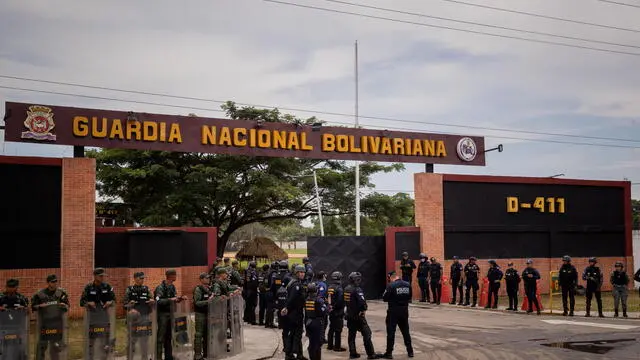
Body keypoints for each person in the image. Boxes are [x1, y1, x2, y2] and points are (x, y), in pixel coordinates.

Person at [344, 272, 383, 359]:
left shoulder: (346, 288)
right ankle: (371, 354)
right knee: (367, 334)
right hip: (358, 316)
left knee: (351, 335)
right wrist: (364, 309)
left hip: (350, 315)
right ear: (356, 280)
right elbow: (362, 302)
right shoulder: (357, 289)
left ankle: (352, 353)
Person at [80, 268, 116, 360]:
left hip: (104, 317)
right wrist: (88, 303)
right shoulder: (88, 287)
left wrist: (110, 302)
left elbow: (114, 300)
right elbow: (82, 302)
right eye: (101, 276)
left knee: (105, 342)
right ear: (95, 276)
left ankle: (104, 358)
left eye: (103, 276)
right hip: (93, 318)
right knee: (91, 342)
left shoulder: (107, 287)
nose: (103, 277)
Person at [32, 275, 70, 360]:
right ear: (48, 283)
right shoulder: (40, 294)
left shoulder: (61, 293)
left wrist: (64, 305)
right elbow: (33, 306)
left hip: (57, 323)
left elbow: (67, 306)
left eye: (56, 281)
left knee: (56, 346)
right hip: (44, 324)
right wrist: (40, 306)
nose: (55, 283)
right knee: (42, 345)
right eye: (53, 282)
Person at [154, 268, 187, 360]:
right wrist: (170, 300)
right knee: (160, 337)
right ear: (170, 276)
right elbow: (157, 300)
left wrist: (179, 298)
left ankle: (169, 357)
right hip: (162, 315)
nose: (176, 277)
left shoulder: (172, 287)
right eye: (175, 275)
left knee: (169, 336)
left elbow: (174, 298)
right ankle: (158, 357)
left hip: (171, 313)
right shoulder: (160, 288)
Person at [382, 271, 414, 359]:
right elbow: (410, 296)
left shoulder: (391, 285)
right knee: (406, 332)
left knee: (391, 333)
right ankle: (410, 351)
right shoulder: (407, 284)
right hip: (404, 311)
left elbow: (384, 298)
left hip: (393, 312)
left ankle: (389, 353)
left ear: (391, 277)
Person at [124, 272, 155, 360]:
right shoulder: (130, 289)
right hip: (133, 319)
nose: (142, 280)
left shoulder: (146, 289)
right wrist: (130, 306)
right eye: (141, 278)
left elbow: (152, 300)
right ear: (135, 278)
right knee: (132, 341)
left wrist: (152, 302)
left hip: (145, 318)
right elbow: (124, 304)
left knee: (144, 342)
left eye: (143, 278)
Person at [280, 265, 307, 360]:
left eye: (303, 272)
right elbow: (291, 298)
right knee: (295, 335)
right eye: (300, 272)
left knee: (295, 334)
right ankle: (290, 354)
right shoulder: (296, 285)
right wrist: (286, 307)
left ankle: (298, 354)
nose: (302, 274)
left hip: (294, 313)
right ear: (296, 273)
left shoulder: (294, 282)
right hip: (295, 314)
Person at [0, 278, 29, 360]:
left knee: (19, 349)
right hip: (3, 327)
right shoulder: (1, 297)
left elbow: (28, 311)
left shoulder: (22, 298)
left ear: (16, 287)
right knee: (4, 350)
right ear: (6, 287)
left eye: (13, 287)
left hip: (18, 327)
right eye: (9, 287)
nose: (10, 289)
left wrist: (23, 308)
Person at [304, 282, 327, 360]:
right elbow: (324, 311)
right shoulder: (318, 300)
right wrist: (328, 306)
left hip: (309, 322)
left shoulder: (307, 299)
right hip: (317, 323)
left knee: (312, 341)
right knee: (318, 343)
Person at [193, 272, 213, 360]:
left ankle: (206, 353)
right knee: (199, 334)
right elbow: (197, 303)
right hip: (200, 314)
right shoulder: (198, 289)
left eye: (208, 278)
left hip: (208, 314)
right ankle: (197, 355)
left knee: (207, 334)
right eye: (206, 278)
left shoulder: (209, 289)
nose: (208, 279)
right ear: (201, 279)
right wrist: (208, 301)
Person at [326, 271, 346, 352]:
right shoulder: (339, 288)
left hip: (331, 311)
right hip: (338, 312)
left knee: (331, 328)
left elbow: (327, 298)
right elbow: (340, 301)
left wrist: (331, 307)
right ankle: (337, 347)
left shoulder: (330, 287)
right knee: (338, 330)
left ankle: (330, 345)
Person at [315, 271, 329, 344]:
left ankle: (319, 337)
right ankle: (321, 338)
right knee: (323, 322)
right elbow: (321, 296)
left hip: (315, 306)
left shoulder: (315, 283)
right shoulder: (323, 285)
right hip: (320, 305)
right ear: (323, 276)